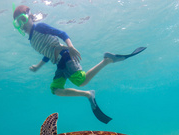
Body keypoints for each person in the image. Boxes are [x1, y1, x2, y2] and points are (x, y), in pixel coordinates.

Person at [12, 5, 145, 124]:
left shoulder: (40, 27)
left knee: (81, 81)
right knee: (56, 90)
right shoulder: (32, 41)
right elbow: (47, 53)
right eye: (18, 23)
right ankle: (88, 94)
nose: (21, 24)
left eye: (23, 19)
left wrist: (70, 47)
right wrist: (38, 66)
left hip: (65, 55)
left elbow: (61, 33)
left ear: (30, 16)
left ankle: (107, 60)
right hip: (59, 63)